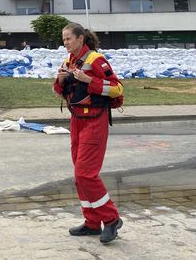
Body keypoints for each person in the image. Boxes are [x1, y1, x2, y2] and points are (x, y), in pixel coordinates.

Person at [53, 22, 124, 244]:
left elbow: (117, 88)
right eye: (63, 39)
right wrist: (61, 80)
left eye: (68, 38)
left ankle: (111, 219)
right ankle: (92, 223)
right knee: (79, 176)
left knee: (85, 174)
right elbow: (59, 91)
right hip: (77, 120)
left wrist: (89, 80)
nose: (65, 43)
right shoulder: (68, 61)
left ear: (80, 38)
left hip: (95, 120)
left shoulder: (96, 60)